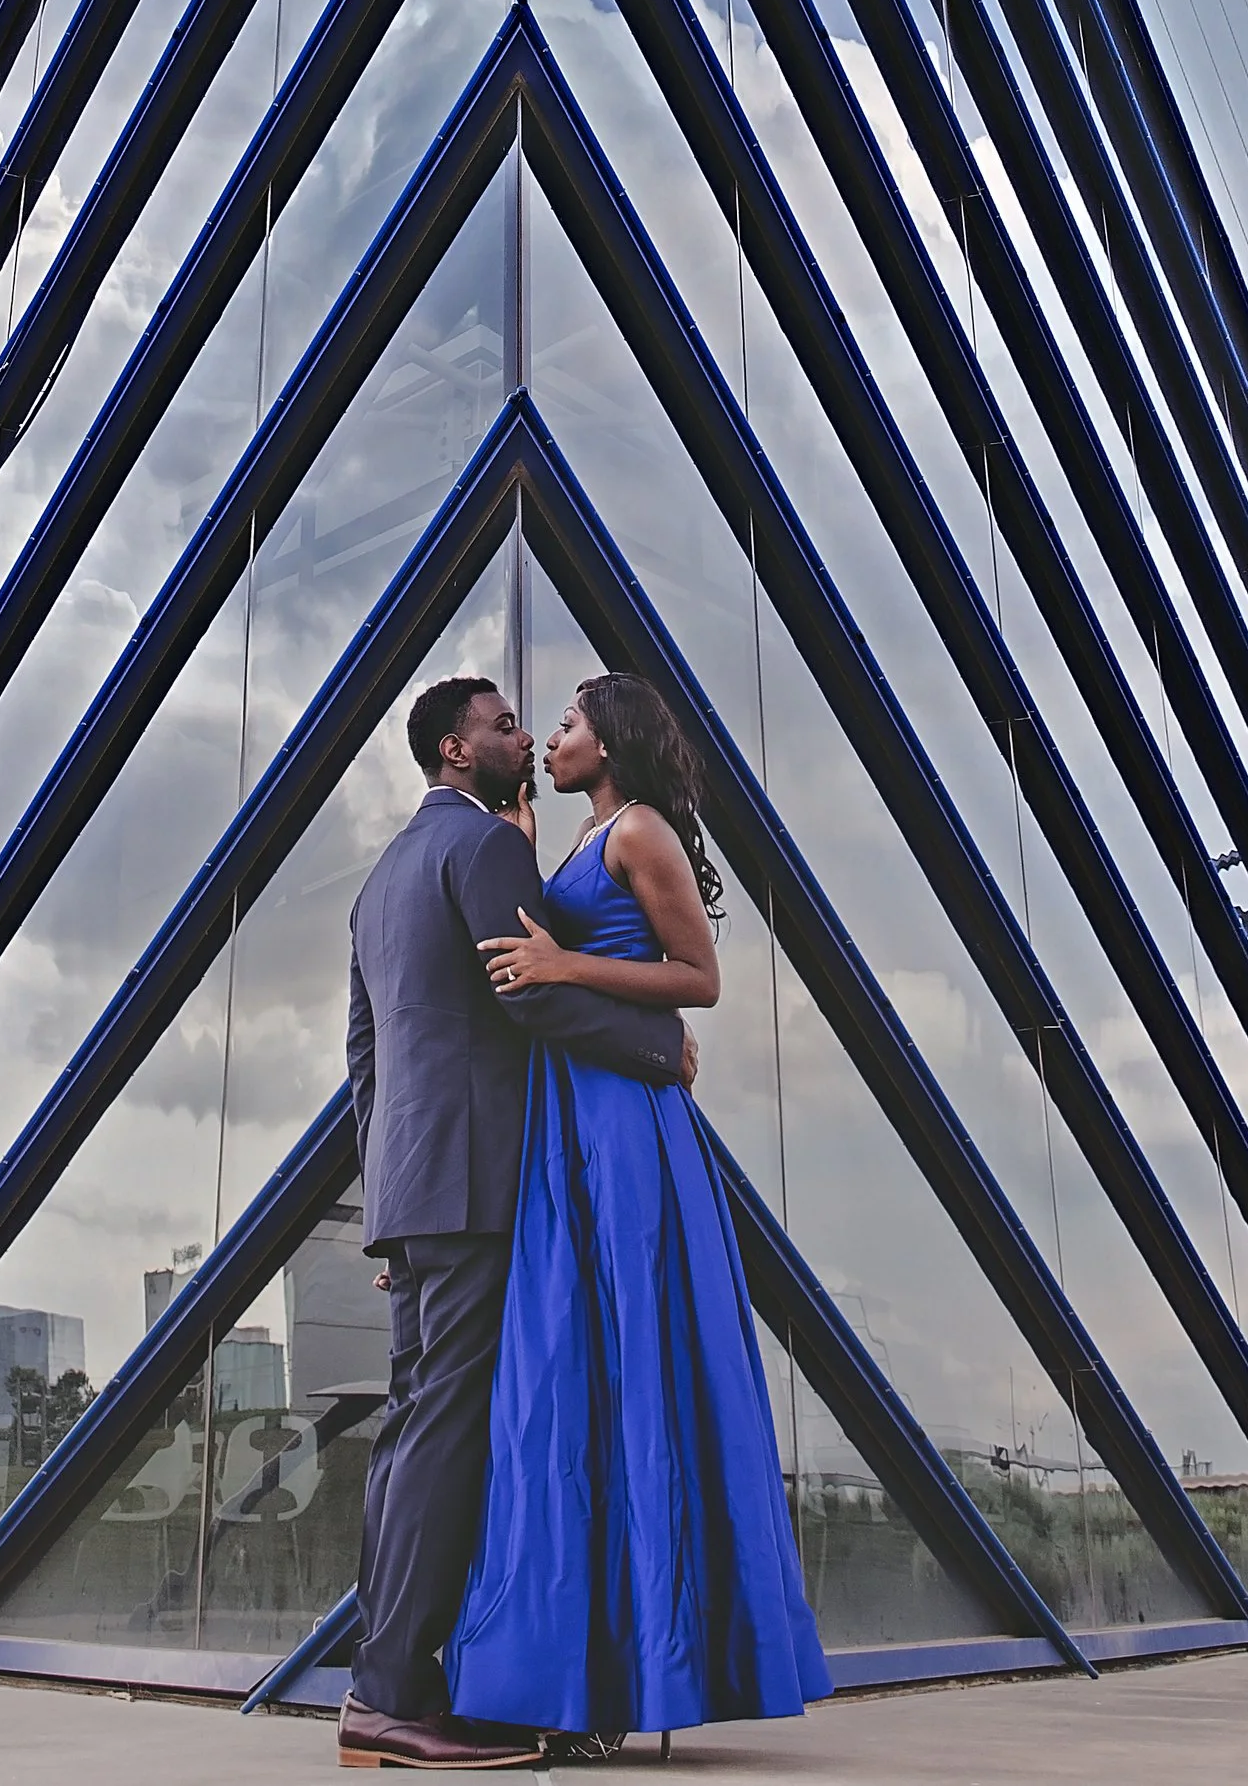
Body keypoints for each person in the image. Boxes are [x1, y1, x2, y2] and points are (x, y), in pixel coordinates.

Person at [449, 672, 831, 1741]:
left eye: (564, 724)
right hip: (570, 1115)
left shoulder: (640, 831)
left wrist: (566, 960)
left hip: (622, 1125)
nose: (548, 738)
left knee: (628, 1359)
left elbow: (700, 977)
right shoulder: (579, 838)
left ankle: (641, 1674)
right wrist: (521, 844)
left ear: (608, 741)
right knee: (568, 1370)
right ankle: (589, 1672)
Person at [341, 675, 697, 1774]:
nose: (522, 736)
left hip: (413, 1190)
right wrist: (660, 1049)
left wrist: (384, 1215)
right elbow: (524, 991)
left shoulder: (380, 877)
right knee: (447, 1433)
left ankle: (391, 1682)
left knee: (408, 1433)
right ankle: (392, 1696)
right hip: (482, 1185)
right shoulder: (485, 851)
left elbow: (366, 1063)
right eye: (503, 726)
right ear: (457, 749)